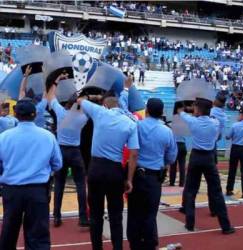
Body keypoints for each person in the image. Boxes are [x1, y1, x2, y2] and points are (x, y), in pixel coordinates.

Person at [77, 95, 139, 250]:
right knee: (115, 216)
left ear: (105, 105)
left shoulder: (99, 112)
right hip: (114, 170)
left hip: (96, 168)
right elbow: (134, 154)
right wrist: (129, 179)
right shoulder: (130, 123)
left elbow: (79, 99)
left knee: (96, 216)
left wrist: (93, 97)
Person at [0, 98, 62, 250]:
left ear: (15, 114)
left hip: (12, 189)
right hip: (37, 190)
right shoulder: (48, 136)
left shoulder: (4, 137)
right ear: (35, 115)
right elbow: (57, 164)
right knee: (38, 236)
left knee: (8, 232)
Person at [178, 98, 235, 234]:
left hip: (196, 156)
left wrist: (188, 109)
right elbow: (218, 133)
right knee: (216, 192)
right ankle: (225, 226)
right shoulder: (215, 122)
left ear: (198, 109)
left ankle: (190, 224)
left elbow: (181, 112)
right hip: (209, 157)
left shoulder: (193, 121)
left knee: (191, 190)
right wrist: (196, 110)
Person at [127, 98, 177, 250]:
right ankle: (149, 245)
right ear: (162, 113)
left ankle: (135, 244)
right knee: (150, 214)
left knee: (134, 213)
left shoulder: (137, 126)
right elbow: (171, 157)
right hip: (154, 177)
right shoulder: (167, 131)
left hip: (137, 175)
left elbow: (131, 150)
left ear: (146, 110)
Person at [47, 74, 89, 227]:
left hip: (61, 151)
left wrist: (57, 80)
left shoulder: (60, 112)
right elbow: (91, 105)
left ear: (66, 104)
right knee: (80, 185)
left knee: (59, 184)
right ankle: (83, 217)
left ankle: (57, 216)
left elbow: (51, 95)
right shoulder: (82, 117)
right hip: (75, 152)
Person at [226, 104, 243, 198]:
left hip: (235, 148)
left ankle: (229, 190)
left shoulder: (234, 125)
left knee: (232, 170)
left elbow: (227, 137)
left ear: (242, 115)